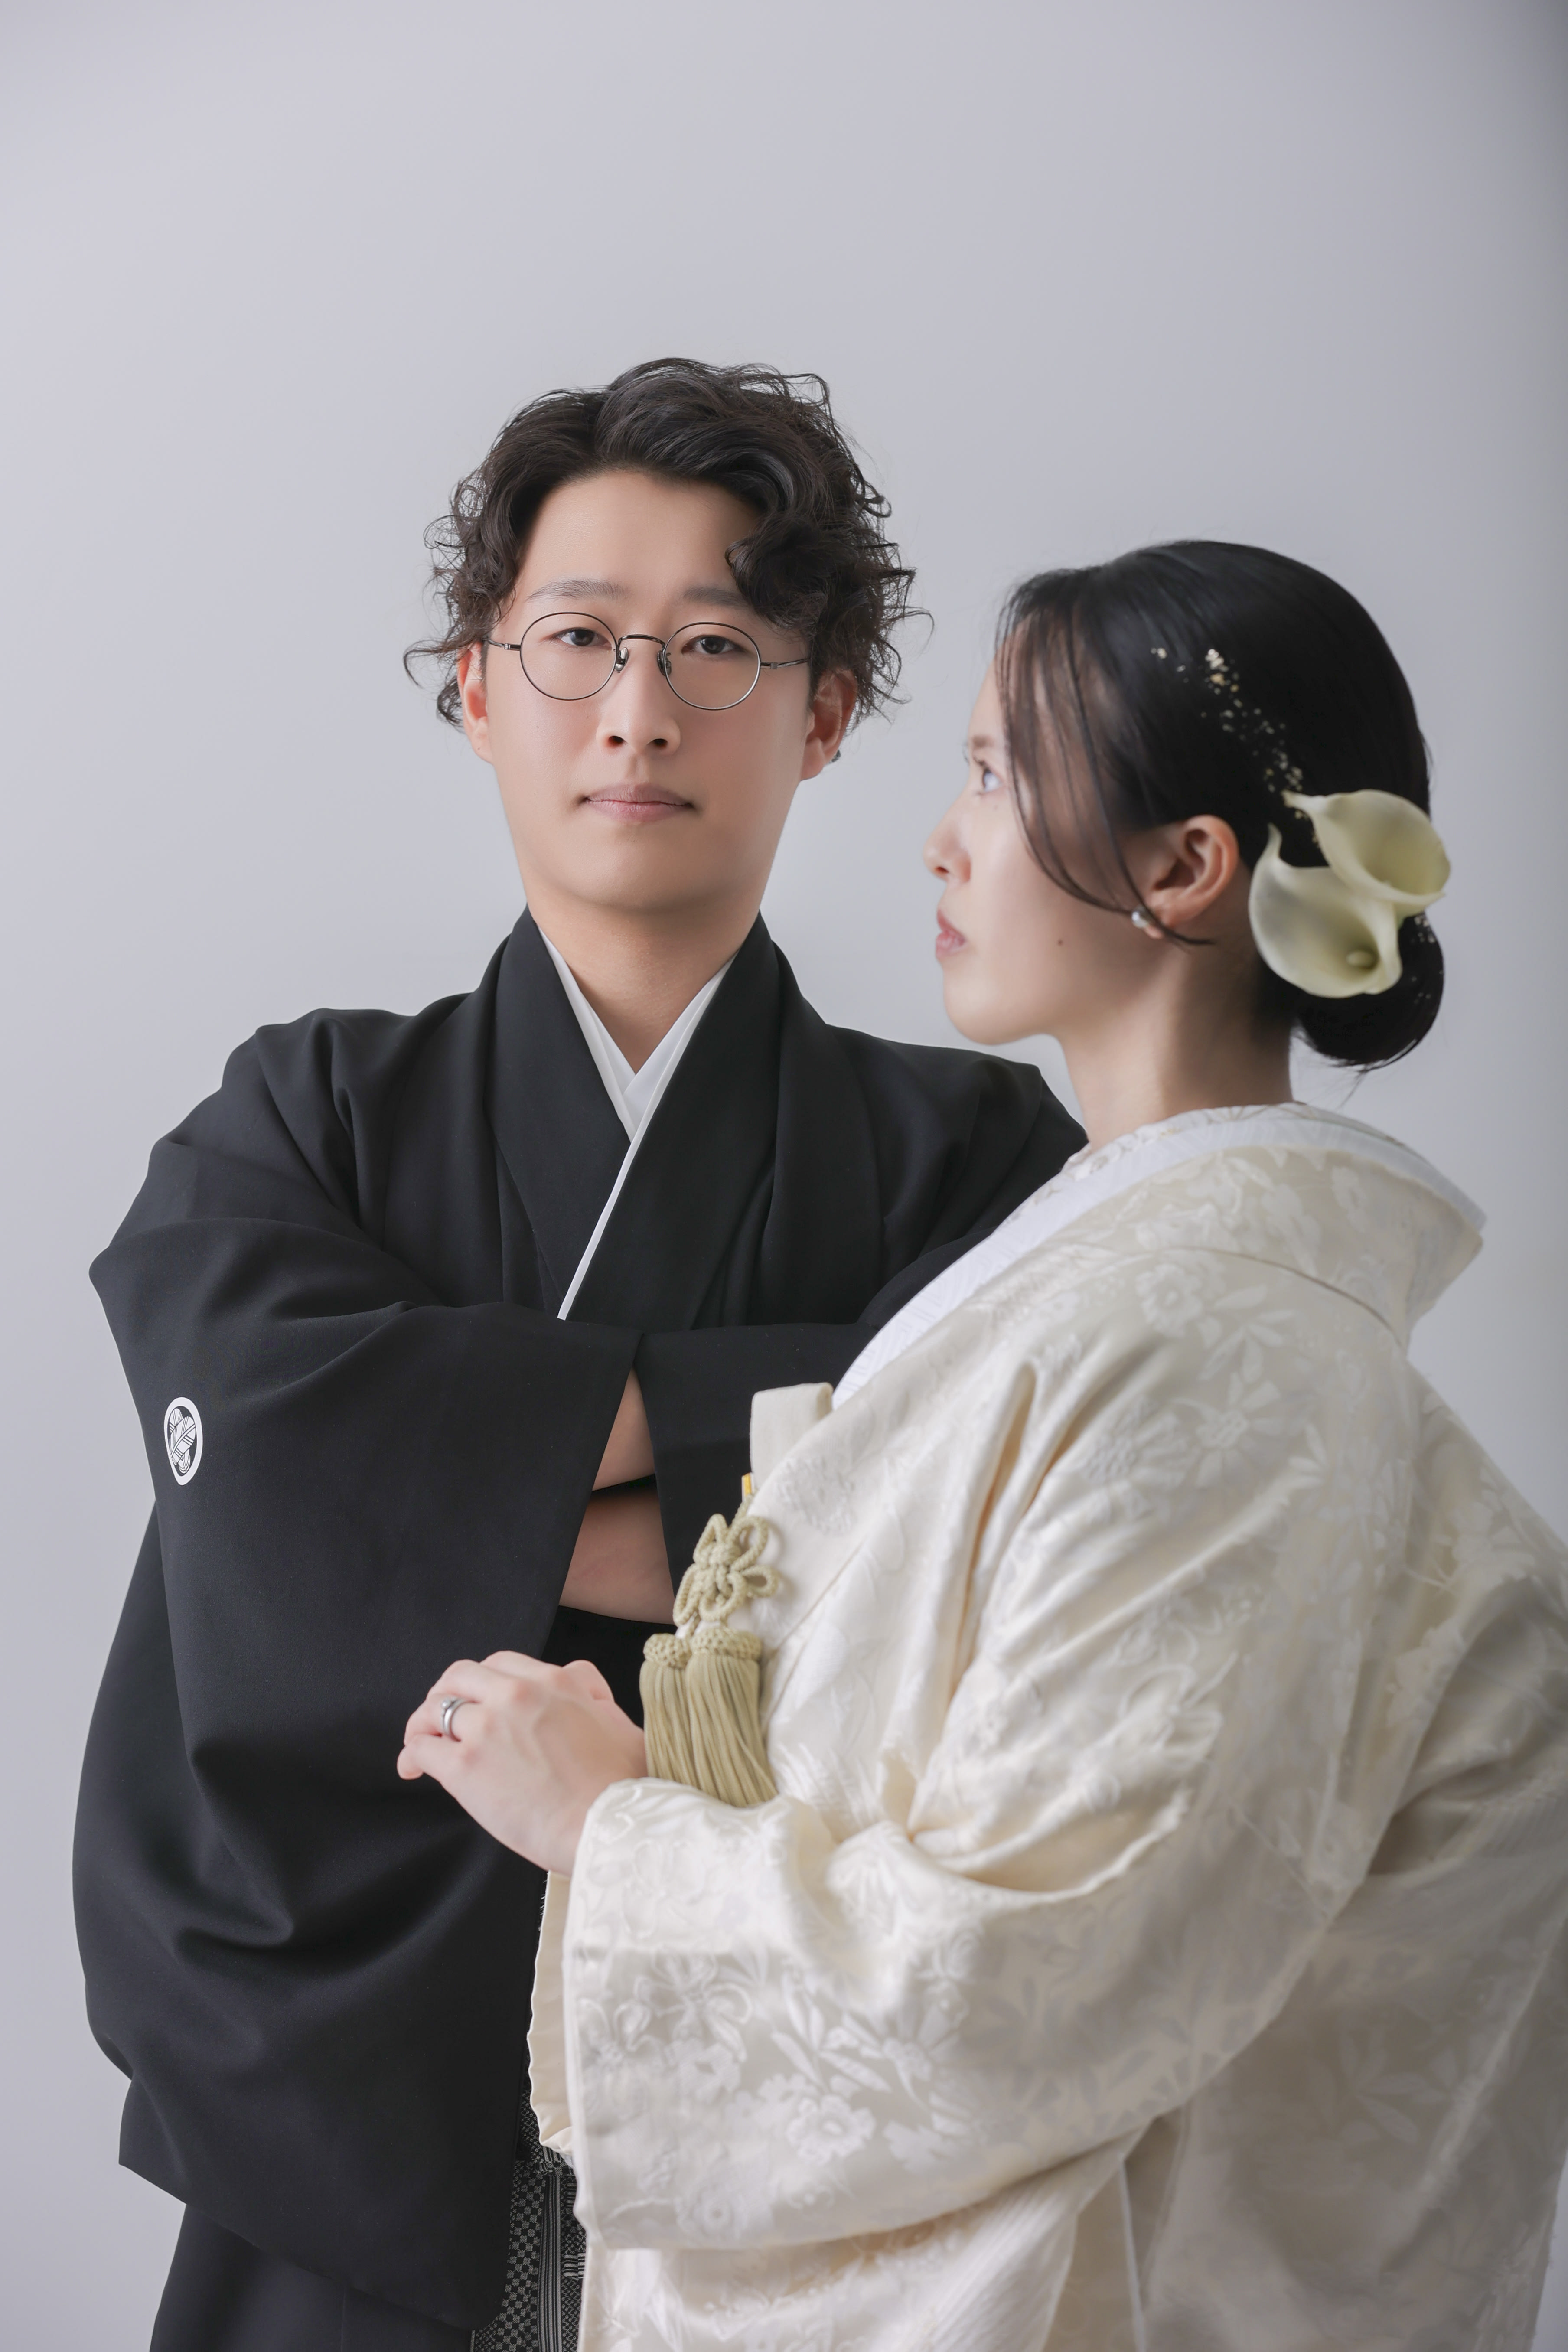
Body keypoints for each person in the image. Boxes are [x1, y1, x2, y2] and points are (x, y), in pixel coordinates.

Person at [404, 541, 1568, 2352]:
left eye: (994, 777)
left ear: (1183, 869)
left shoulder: (1220, 1358)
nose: (943, 842)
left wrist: (608, 1822)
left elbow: (1021, 1983)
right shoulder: (1130, 1298)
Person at [75, 359, 1085, 2352]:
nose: (638, 708)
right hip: (348, 2094)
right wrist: (789, 1442)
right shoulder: (303, 1120)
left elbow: (1003, 1537)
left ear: (821, 711)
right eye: (577, 640)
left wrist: (438, 1487)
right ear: (477, 685)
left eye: (716, 646)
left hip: (804, 2116)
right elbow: (253, 1505)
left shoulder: (975, 1156)